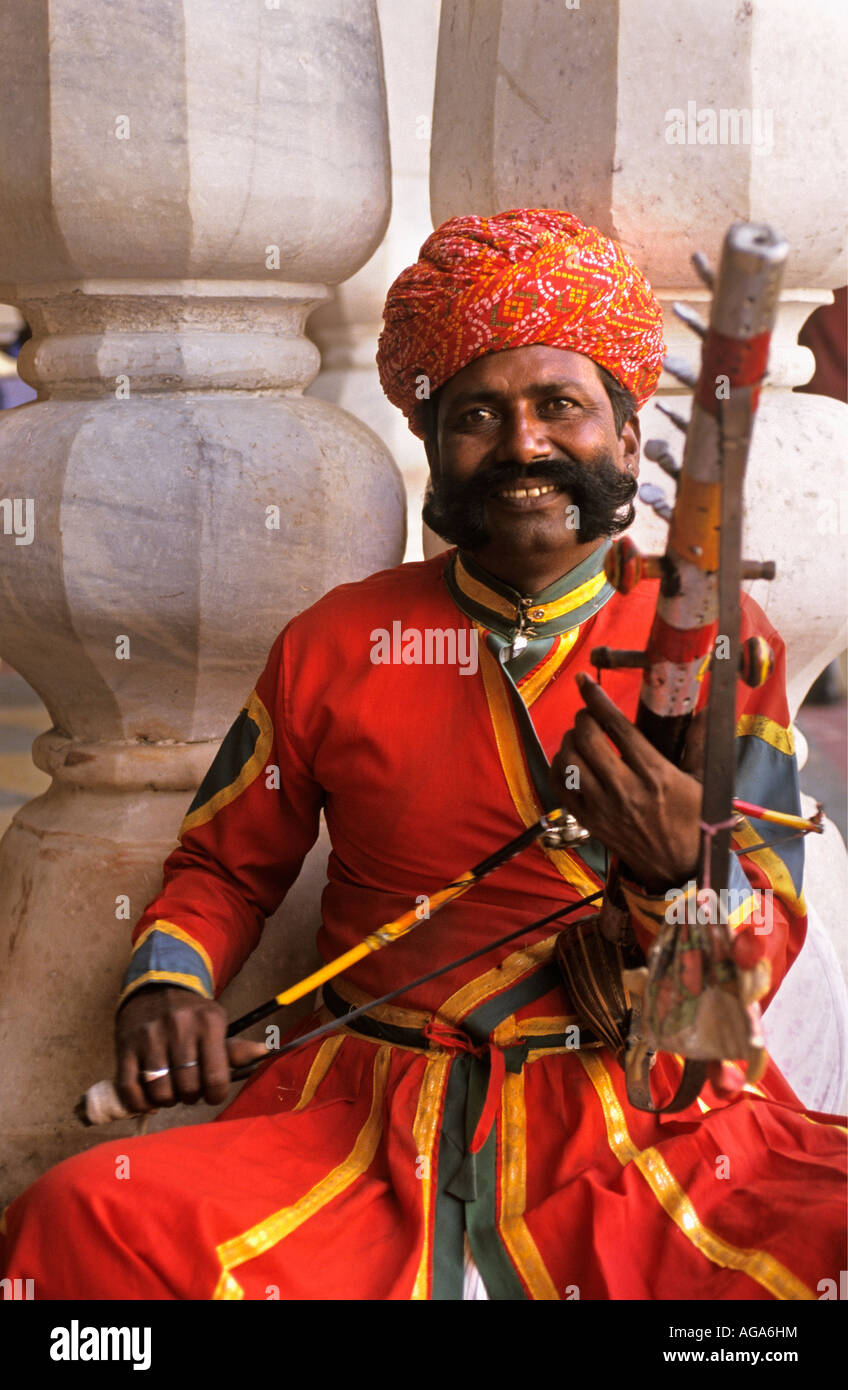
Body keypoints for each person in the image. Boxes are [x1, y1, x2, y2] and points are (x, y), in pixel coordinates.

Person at [1, 209, 844, 1301]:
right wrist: (166, 983)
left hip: (641, 1119)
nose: (523, 444)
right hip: (365, 1120)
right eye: (477, 414)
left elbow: (715, 1023)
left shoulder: (726, 649)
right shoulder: (335, 640)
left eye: (559, 407)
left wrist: (686, 879)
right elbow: (223, 865)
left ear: (631, 442)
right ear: (432, 443)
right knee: (84, 1218)